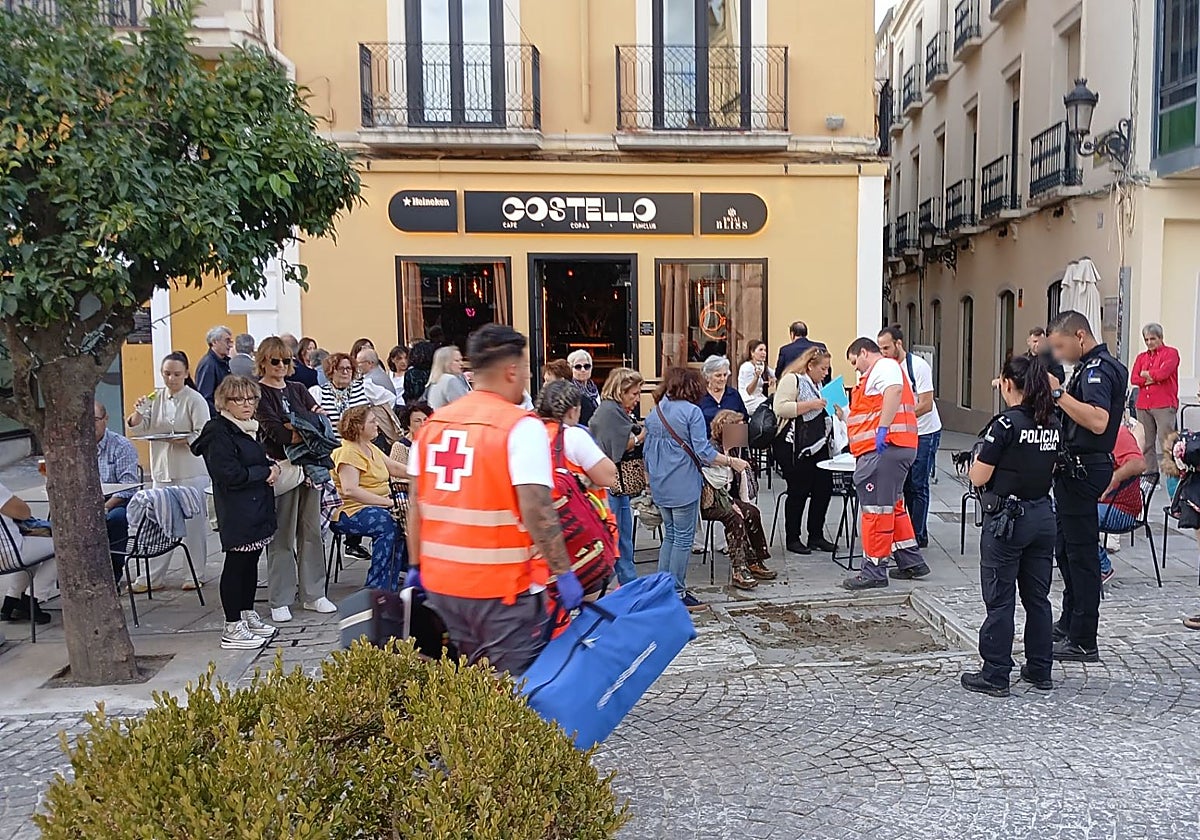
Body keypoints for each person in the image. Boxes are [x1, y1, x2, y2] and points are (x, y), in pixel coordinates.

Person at [405, 324, 581, 677]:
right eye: (527, 371)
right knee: (513, 700)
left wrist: (416, 567)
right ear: (511, 370)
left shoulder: (434, 427)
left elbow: (416, 505)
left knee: (458, 696)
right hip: (503, 594)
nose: (527, 380)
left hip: (441, 589)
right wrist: (563, 573)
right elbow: (537, 509)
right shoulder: (520, 427)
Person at [960, 354, 1060, 697]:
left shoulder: (1005, 425)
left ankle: (996, 672)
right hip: (1042, 516)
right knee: (1038, 598)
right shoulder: (1051, 421)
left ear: (1006, 384)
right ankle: (1039, 668)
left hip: (1007, 521)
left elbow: (979, 475)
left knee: (1000, 599)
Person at [1045, 309, 1129, 663]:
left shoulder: (1098, 370)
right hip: (1073, 468)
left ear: (1080, 336)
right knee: (1065, 548)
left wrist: (1059, 394)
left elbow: (1097, 421)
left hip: (1085, 467)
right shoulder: (1088, 367)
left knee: (1081, 554)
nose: (1060, 354)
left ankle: (1084, 638)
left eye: (1061, 346)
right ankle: (1070, 620)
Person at [645, 366, 749, 611]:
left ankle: (662, 589)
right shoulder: (691, 412)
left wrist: (650, 482)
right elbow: (703, 452)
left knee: (670, 536)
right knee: (682, 538)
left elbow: (647, 453)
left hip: (661, 483)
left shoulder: (656, 411)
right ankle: (678, 593)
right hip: (683, 483)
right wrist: (732, 461)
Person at [190, 376, 280, 650]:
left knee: (251, 563)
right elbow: (229, 473)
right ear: (224, 402)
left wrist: (271, 466)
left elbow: (254, 458)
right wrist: (265, 472)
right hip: (237, 509)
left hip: (256, 508)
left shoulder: (248, 428)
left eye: (251, 399)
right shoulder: (219, 431)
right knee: (236, 565)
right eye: (239, 399)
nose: (247, 404)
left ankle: (246, 612)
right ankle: (232, 625)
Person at [255, 336, 338, 622]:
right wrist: (305, 427)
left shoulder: (299, 388)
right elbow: (276, 433)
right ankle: (280, 598)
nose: (280, 366)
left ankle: (314, 593)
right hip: (282, 467)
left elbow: (322, 423)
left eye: (286, 361)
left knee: (312, 532)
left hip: (310, 468)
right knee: (282, 535)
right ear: (263, 361)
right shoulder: (259, 393)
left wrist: (301, 427)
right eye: (275, 360)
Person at [841, 337, 930, 590]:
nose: (856, 368)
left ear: (865, 352)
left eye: (855, 361)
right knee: (893, 505)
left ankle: (874, 570)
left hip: (884, 449)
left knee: (876, 511)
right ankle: (910, 560)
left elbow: (893, 391)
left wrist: (882, 428)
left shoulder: (883, 368)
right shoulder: (878, 374)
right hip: (895, 447)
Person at [125, 351, 211, 591]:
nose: (171, 378)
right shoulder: (156, 396)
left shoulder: (194, 399)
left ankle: (195, 573)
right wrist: (138, 412)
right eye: (167, 374)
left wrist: (184, 439)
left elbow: (203, 432)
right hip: (162, 470)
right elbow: (139, 429)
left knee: (193, 524)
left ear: (185, 374)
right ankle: (152, 577)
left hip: (190, 469)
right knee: (158, 521)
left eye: (176, 374)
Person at [877, 326, 942, 549]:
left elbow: (926, 403)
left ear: (899, 344)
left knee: (918, 483)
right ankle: (905, 532)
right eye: (880, 348)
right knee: (903, 485)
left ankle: (918, 534)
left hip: (924, 432)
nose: (883, 352)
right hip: (902, 432)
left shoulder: (918, 367)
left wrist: (898, 416)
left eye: (886, 347)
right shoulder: (884, 367)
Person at [331, 406, 409, 591]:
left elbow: (396, 468)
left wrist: (424, 474)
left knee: (408, 513)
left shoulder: (370, 447)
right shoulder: (348, 451)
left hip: (377, 505)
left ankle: (394, 577)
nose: (377, 425)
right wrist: (388, 503)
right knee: (388, 523)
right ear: (358, 427)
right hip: (349, 511)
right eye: (373, 421)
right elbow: (350, 490)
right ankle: (377, 587)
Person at [309, 352, 371, 561]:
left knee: (364, 484)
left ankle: (353, 541)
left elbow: (389, 398)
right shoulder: (319, 393)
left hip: (357, 451)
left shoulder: (364, 389)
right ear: (330, 371)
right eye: (341, 369)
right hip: (331, 453)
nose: (346, 372)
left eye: (349, 369)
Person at [773, 347, 836, 555]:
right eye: (823, 369)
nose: (826, 373)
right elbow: (781, 408)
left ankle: (816, 535)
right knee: (798, 490)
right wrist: (811, 404)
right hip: (795, 445)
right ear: (810, 365)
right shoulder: (793, 380)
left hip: (818, 442)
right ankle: (793, 537)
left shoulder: (819, 384)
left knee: (823, 488)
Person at [704, 410, 775, 590]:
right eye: (737, 427)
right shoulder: (713, 450)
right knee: (734, 517)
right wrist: (732, 503)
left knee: (752, 512)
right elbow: (714, 484)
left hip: (727, 497)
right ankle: (739, 569)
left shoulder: (735, 449)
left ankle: (755, 560)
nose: (742, 431)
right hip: (712, 500)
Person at [588, 367, 646, 586]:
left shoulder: (611, 410)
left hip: (612, 482)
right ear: (621, 391)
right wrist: (641, 436)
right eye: (634, 394)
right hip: (611, 483)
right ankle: (626, 584)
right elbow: (620, 446)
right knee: (619, 537)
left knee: (621, 536)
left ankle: (624, 583)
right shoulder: (611, 412)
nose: (637, 399)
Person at [535, 379, 619, 529]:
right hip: (578, 528)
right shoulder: (573, 437)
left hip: (541, 525)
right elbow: (609, 476)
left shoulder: (530, 433)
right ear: (573, 410)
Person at [94, 401, 140, 581]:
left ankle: (113, 573)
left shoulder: (121, 445)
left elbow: (129, 486)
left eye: (95, 420)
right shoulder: (76, 447)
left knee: (116, 519)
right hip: (85, 502)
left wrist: (104, 507)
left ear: (105, 419)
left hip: (116, 501)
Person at [0, 481, 56, 625]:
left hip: (6, 556)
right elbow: (24, 512)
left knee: (35, 549)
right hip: (10, 553)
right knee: (66, 547)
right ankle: (33, 598)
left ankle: (12, 601)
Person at [1096, 425, 1147, 584]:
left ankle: (1102, 566)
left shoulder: (1117, 432)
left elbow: (1139, 464)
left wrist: (1114, 478)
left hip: (1122, 509)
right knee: (1059, 511)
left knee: (1077, 516)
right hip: (1102, 503)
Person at [1130, 323, 1180, 476]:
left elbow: (1163, 374)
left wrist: (1147, 374)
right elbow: (1134, 379)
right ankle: (1150, 475)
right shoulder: (1141, 357)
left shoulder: (1171, 353)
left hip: (1163, 404)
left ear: (1161, 337)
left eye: (1153, 339)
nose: (1149, 343)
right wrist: (1151, 377)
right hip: (1143, 404)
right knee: (1146, 443)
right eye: (1146, 340)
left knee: (1167, 443)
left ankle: (1173, 477)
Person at [698, 356, 748, 429]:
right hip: (707, 438)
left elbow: (744, 418)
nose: (722, 379)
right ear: (707, 377)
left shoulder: (734, 394)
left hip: (733, 437)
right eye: (718, 375)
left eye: (725, 375)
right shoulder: (700, 396)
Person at [194, 325, 233, 415]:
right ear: (214, 342)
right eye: (227, 341)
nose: (230, 345)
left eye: (231, 341)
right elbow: (205, 397)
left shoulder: (223, 362)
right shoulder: (208, 364)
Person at [389, 401, 433, 469]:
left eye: (425, 420)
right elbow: (397, 478)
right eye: (417, 421)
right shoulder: (400, 447)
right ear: (408, 425)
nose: (423, 424)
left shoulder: (435, 443)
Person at [737, 340, 776, 415]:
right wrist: (756, 378)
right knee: (772, 409)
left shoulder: (762, 365)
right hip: (749, 401)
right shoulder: (747, 367)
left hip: (759, 398)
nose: (764, 353)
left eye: (765, 350)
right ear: (752, 353)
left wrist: (773, 378)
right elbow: (749, 391)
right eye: (760, 350)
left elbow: (776, 374)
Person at [567, 349, 600, 426]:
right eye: (578, 367)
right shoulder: (569, 390)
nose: (583, 370)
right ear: (571, 369)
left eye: (587, 366)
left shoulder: (593, 388)